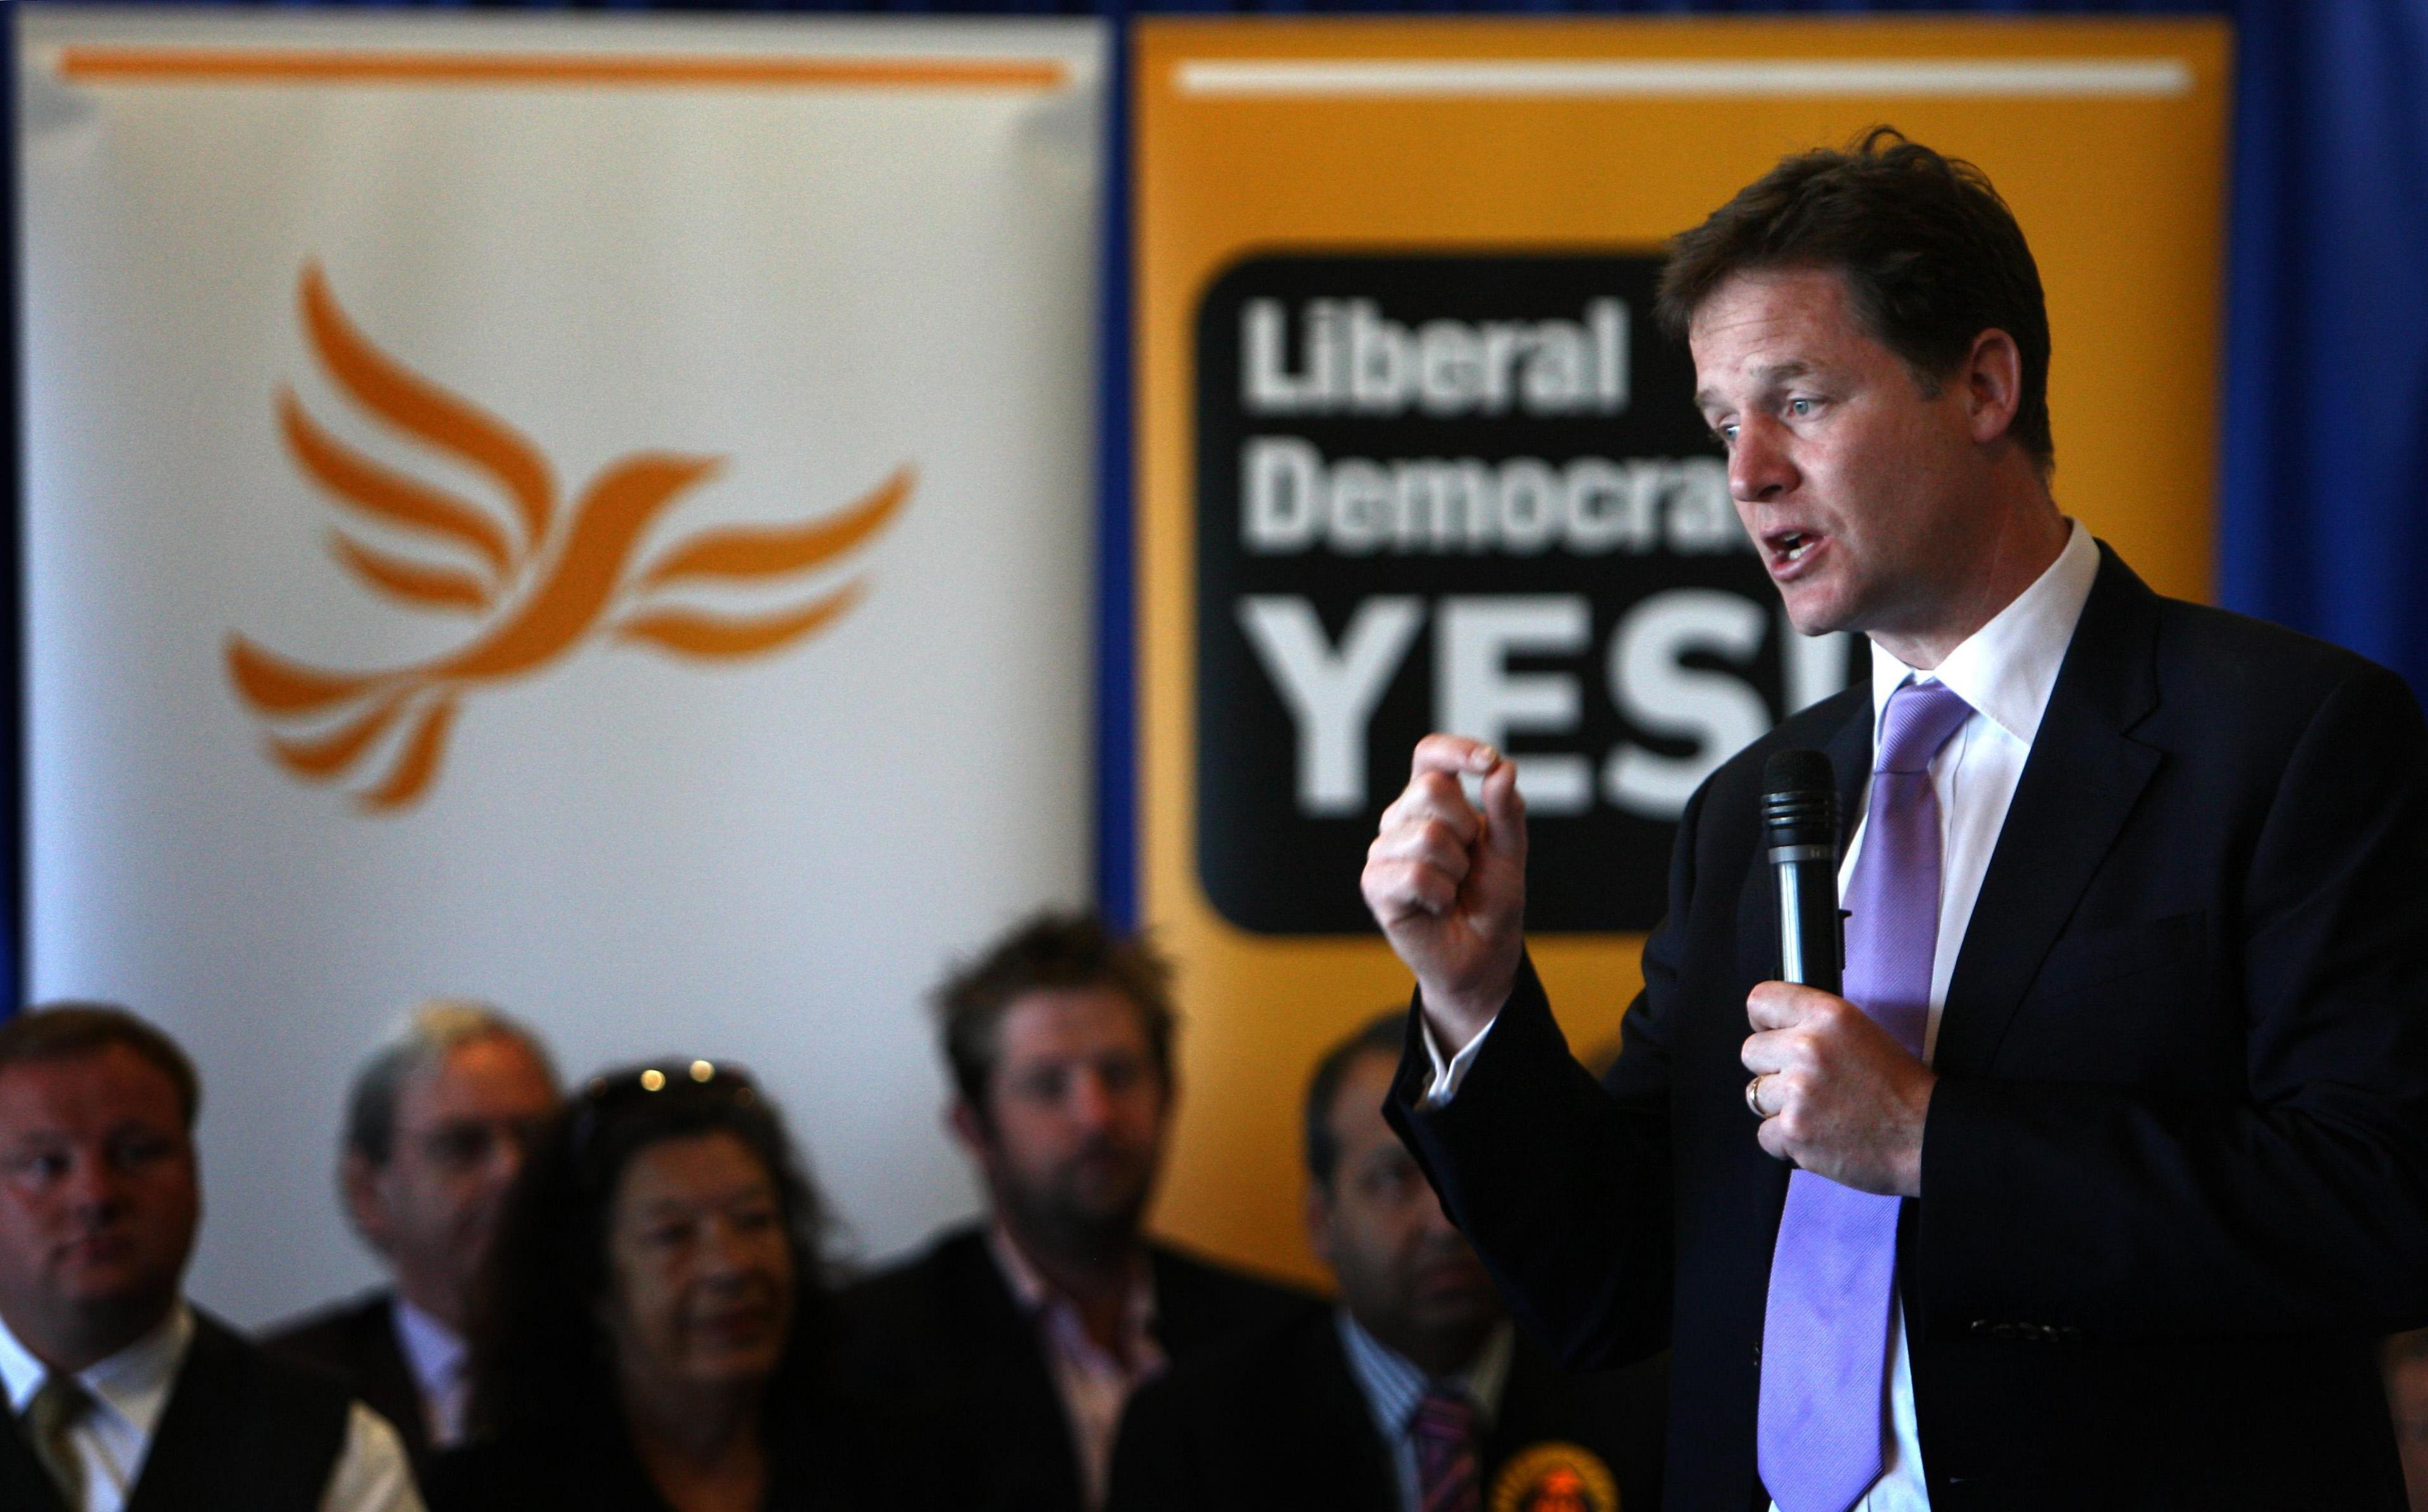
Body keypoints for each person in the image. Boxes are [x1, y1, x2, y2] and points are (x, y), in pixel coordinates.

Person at [1361, 130, 2428, 1509]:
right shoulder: (1746, 810)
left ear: (1984, 384)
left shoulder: (2285, 738)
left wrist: (1933, 1137)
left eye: (1797, 401)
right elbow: (1616, 1282)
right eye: (1719, 424)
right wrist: (1471, 996)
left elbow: (2382, 1198)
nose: (1745, 472)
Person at [831, 911, 1316, 1512]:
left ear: (1168, 1098)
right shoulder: (864, 1350)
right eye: (1048, 1085)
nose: (1097, 1116)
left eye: (1119, 1074)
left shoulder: (1277, 1343)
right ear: (973, 1127)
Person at [1107, 1011, 1665, 1512]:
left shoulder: (1643, 1409)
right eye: (1393, 1179)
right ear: (1321, 1219)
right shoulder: (1197, 1431)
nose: (1445, 1223)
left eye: (1473, 1178)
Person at [424, 1059, 944, 1512]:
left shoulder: (897, 1469)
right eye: (673, 1235)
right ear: (593, 1282)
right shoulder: (490, 1496)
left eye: (754, 1220)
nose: (730, 1265)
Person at [0, 1003, 422, 1512]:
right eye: (46, 1164)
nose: (95, 1195)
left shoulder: (334, 1447)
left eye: (136, 1153)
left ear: (195, 1175)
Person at [266, 1001, 559, 1486]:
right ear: (368, 1191)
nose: (512, 1172)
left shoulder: (639, 1371)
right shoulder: (285, 1392)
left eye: (537, 1139)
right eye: (463, 1145)